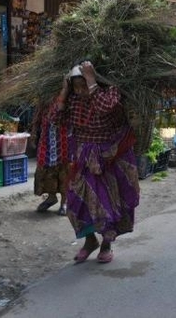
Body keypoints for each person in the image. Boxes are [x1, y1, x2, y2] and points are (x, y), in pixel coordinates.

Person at [65, 60, 140, 263]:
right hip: (84, 157)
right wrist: (65, 91)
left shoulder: (111, 92)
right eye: (76, 87)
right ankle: (90, 241)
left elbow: (103, 107)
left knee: (108, 204)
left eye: (83, 86)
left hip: (111, 156)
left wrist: (91, 80)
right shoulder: (73, 100)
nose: (81, 91)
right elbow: (56, 117)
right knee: (74, 202)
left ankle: (106, 244)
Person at [32, 76, 70, 216]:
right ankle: (52, 197)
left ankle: (65, 201)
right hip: (46, 139)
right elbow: (38, 114)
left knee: (65, 170)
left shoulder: (69, 95)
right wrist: (34, 133)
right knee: (46, 167)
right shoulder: (46, 96)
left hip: (64, 139)